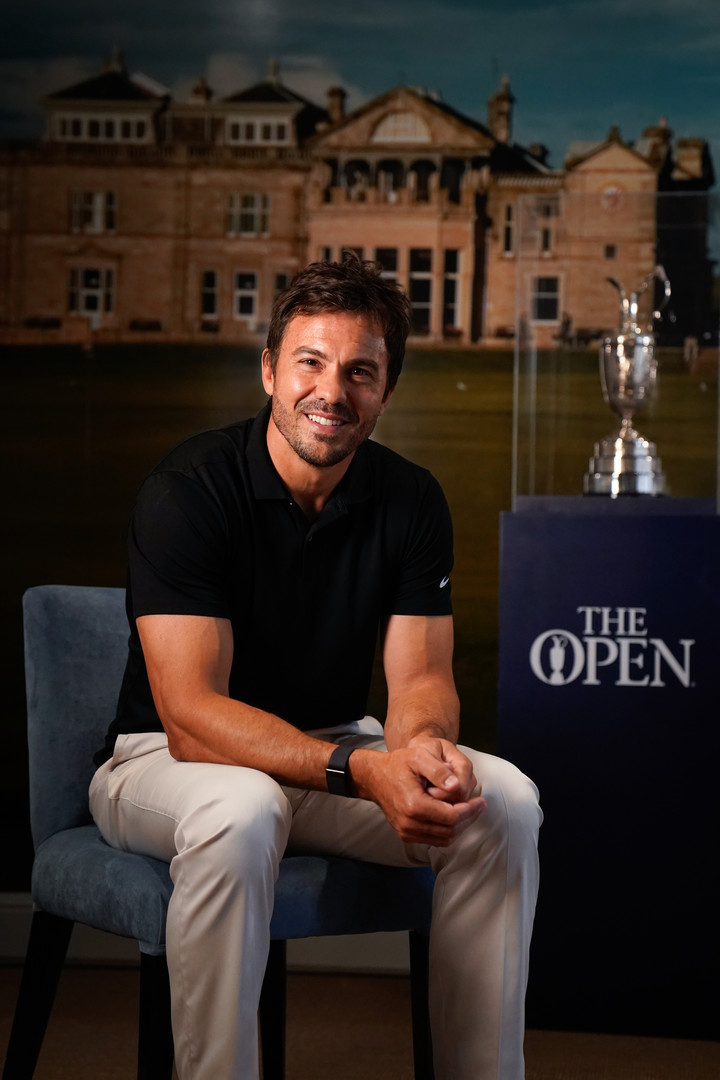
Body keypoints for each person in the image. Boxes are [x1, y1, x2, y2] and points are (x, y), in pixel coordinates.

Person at [90, 253, 542, 1080]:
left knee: (500, 802)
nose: (333, 391)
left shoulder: (411, 498)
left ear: (386, 390)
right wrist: (361, 766)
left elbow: (420, 681)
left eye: (361, 372)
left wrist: (421, 750)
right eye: (310, 361)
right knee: (242, 807)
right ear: (269, 370)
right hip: (162, 759)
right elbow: (191, 714)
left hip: (333, 754)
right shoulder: (189, 488)